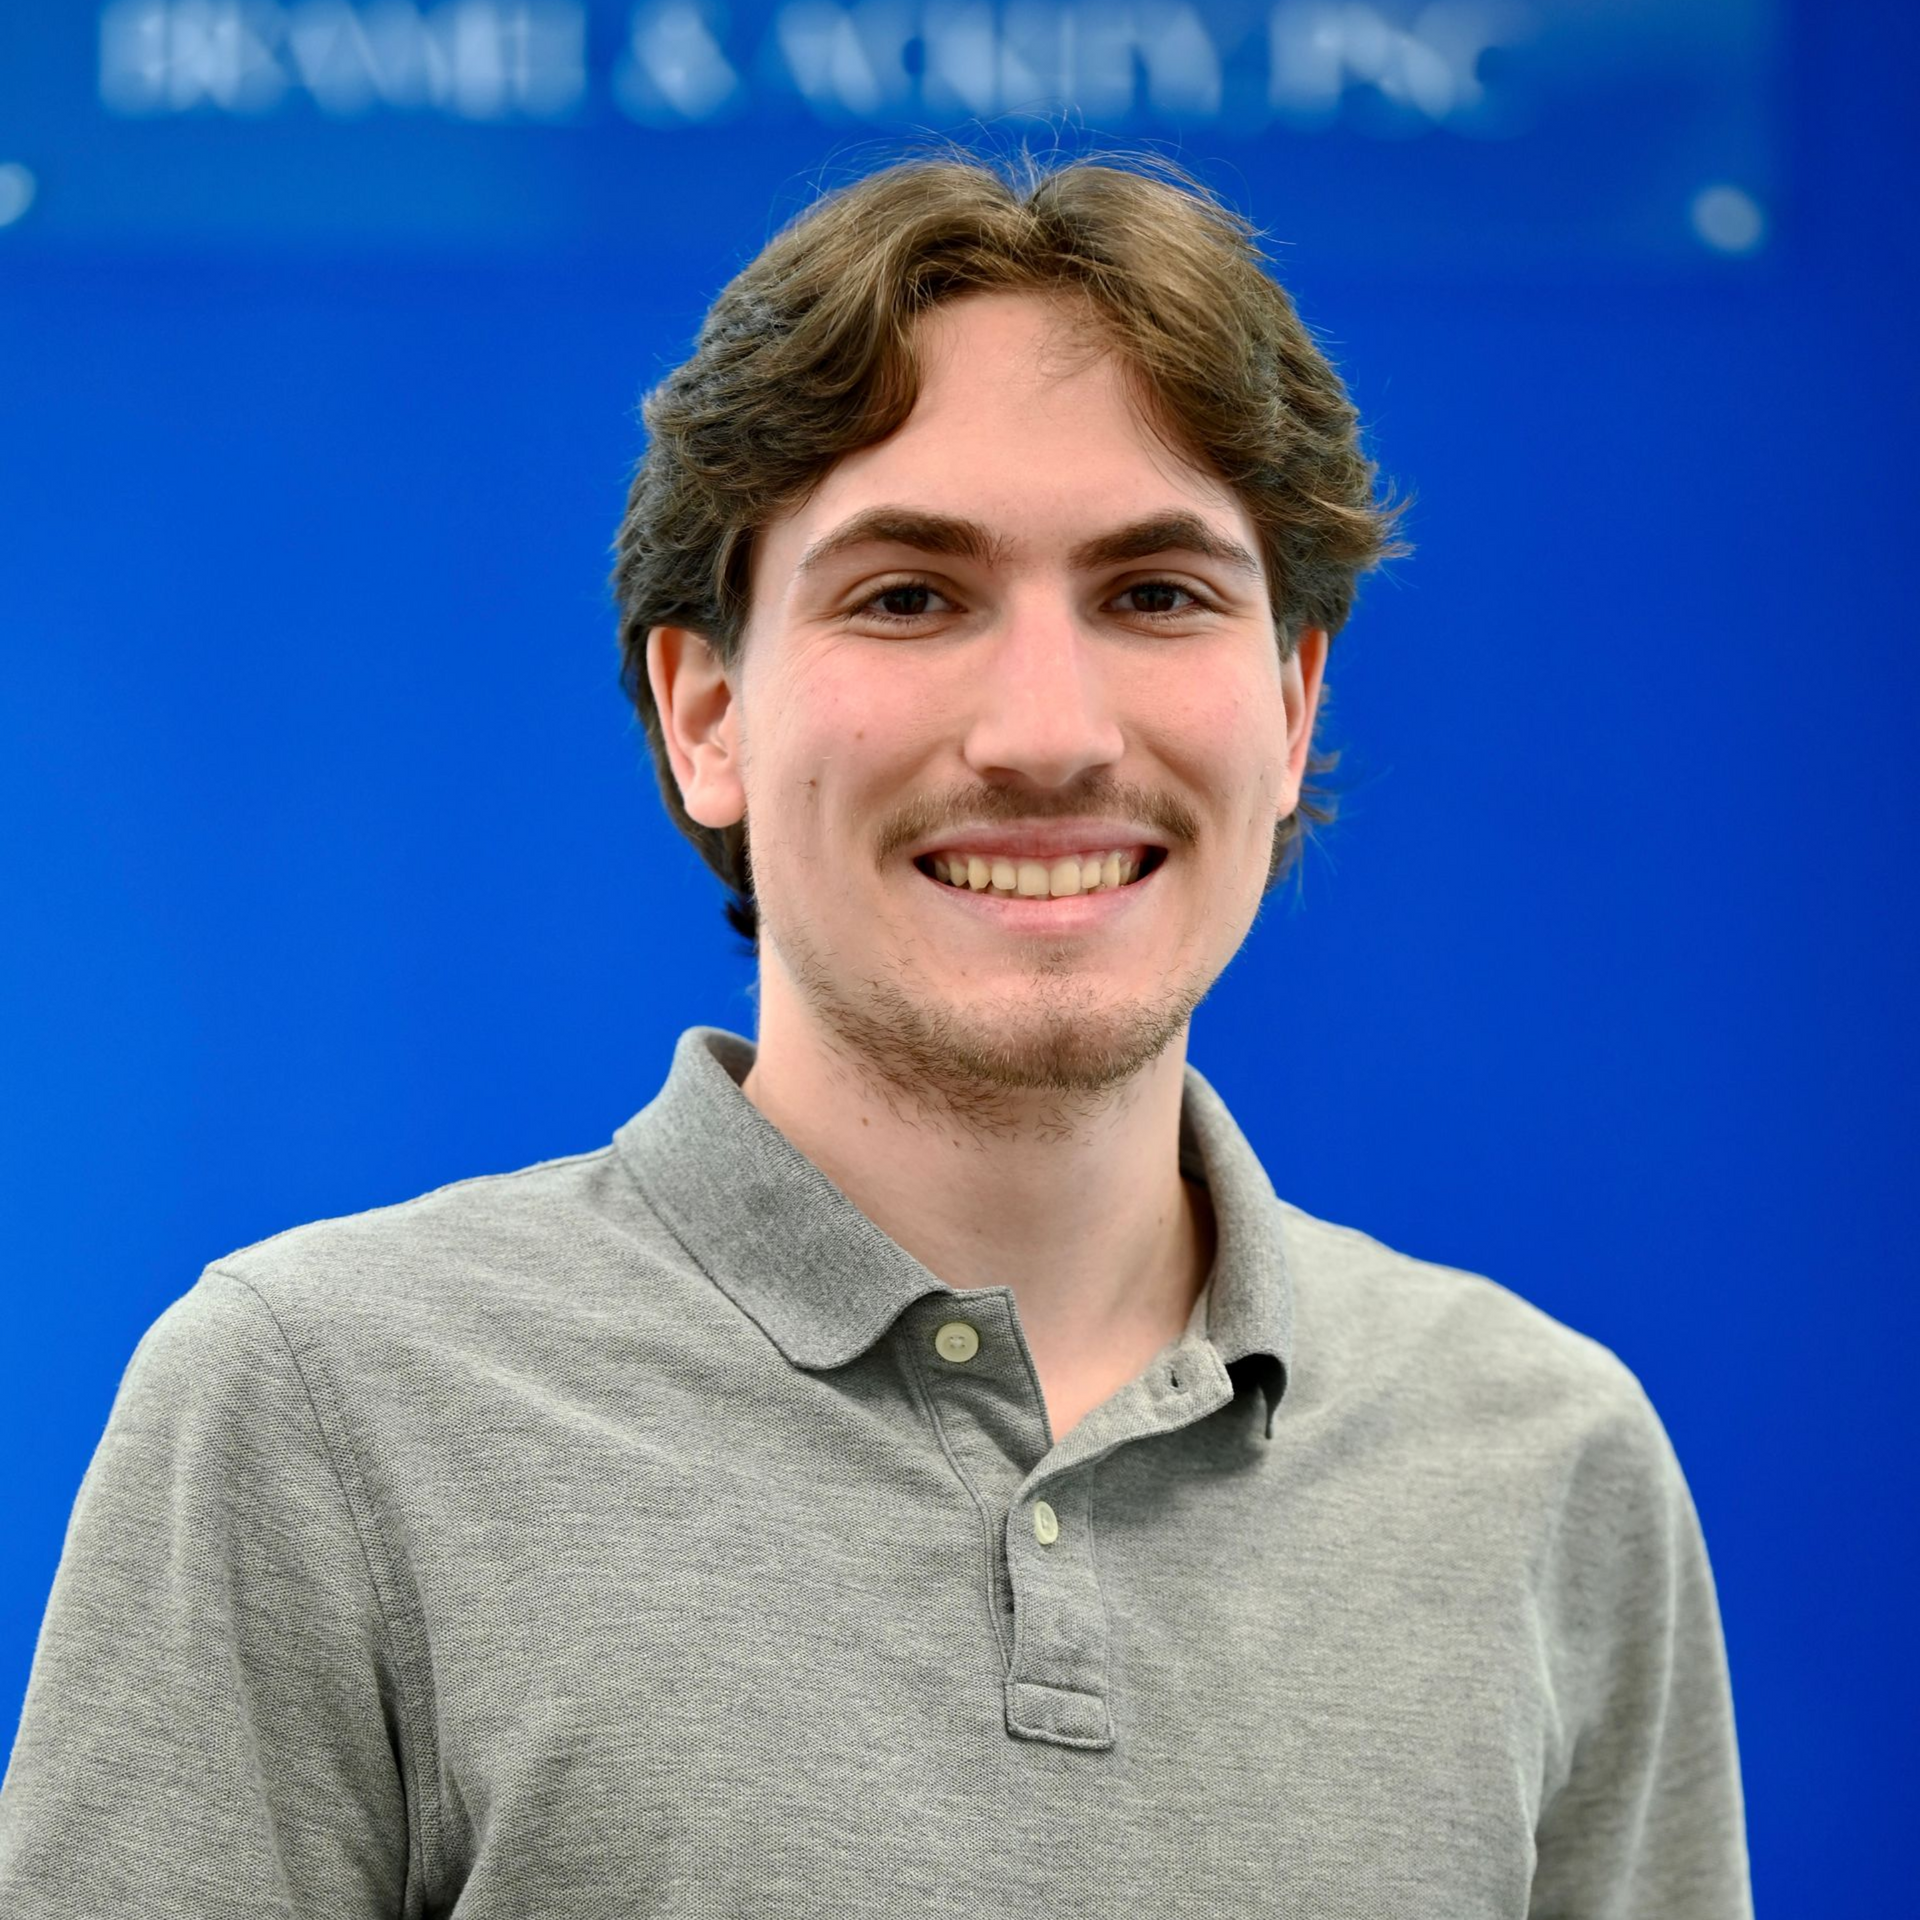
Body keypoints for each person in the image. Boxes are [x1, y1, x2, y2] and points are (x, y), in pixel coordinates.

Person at [0, 148, 1751, 1917]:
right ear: (708, 716)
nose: (1049, 735)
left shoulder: (1550, 1461)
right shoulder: (321, 1414)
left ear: (1291, 710)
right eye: (910, 595)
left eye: (1157, 594)